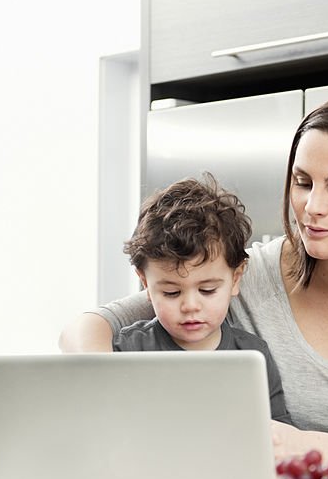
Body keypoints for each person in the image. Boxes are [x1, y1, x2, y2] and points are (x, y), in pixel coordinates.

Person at [59, 89, 328, 459]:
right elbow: (91, 327)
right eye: (303, 182)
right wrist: (106, 389)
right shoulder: (249, 273)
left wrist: (304, 445)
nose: (312, 206)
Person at [114, 173, 290, 424]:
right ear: (145, 283)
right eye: (171, 293)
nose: (190, 306)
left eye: (207, 290)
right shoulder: (128, 350)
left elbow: (277, 436)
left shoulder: (253, 356)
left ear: (236, 278)